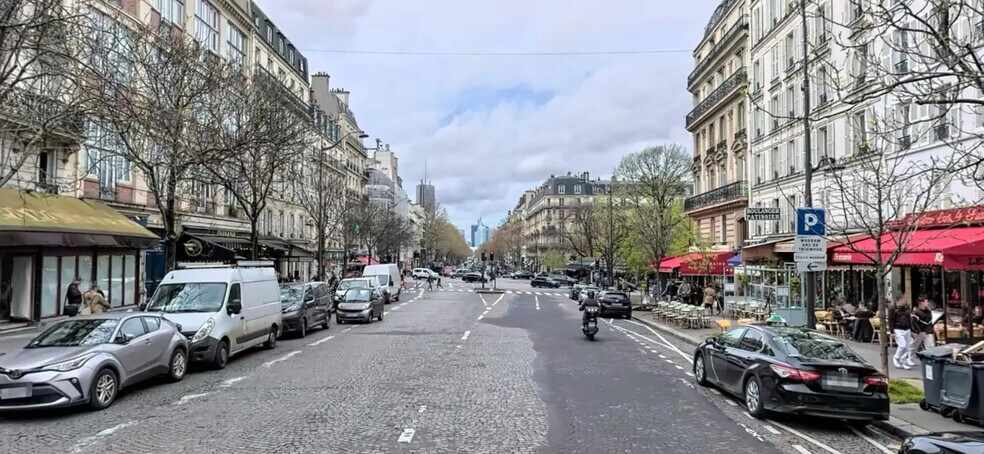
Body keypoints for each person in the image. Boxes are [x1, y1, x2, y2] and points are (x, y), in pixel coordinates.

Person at [888, 296, 913, 369]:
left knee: (908, 347)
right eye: (903, 300)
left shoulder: (907, 308)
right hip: (898, 328)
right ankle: (896, 357)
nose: (905, 301)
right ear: (898, 300)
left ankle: (904, 361)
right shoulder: (893, 308)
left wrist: (911, 329)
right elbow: (890, 320)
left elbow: (909, 319)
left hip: (907, 328)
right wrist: (892, 331)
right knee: (902, 345)